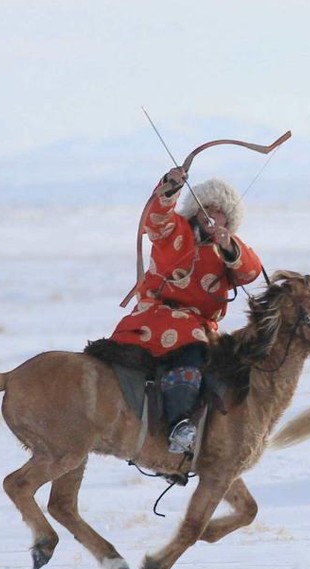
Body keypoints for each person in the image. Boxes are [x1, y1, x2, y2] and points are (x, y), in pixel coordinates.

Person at [110, 166, 264, 454]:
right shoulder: (175, 229)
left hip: (200, 325)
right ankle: (179, 424)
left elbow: (251, 272)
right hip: (156, 316)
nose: (211, 215)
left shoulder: (228, 246)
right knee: (192, 350)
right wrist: (170, 187)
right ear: (195, 207)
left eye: (220, 212)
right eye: (207, 207)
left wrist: (229, 247)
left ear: (228, 221)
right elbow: (155, 221)